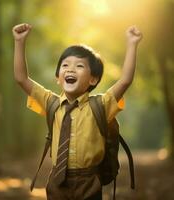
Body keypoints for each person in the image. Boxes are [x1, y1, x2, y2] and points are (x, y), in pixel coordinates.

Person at [12, 23, 142, 200]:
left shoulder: (101, 105)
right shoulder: (51, 102)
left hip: (89, 180)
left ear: (93, 79)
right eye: (65, 65)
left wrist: (132, 44)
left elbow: (125, 80)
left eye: (80, 66)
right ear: (58, 77)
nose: (71, 69)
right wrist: (19, 42)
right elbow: (21, 78)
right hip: (57, 180)